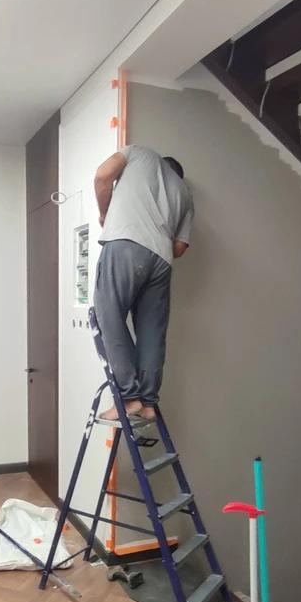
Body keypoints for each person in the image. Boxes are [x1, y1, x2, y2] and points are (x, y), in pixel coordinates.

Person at [92, 145, 193, 422]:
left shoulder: (140, 153)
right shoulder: (185, 194)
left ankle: (128, 398)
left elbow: (102, 176)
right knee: (151, 332)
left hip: (126, 243)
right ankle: (148, 403)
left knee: (109, 316)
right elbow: (180, 248)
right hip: (162, 260)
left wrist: (106, 215)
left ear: (162, 164)